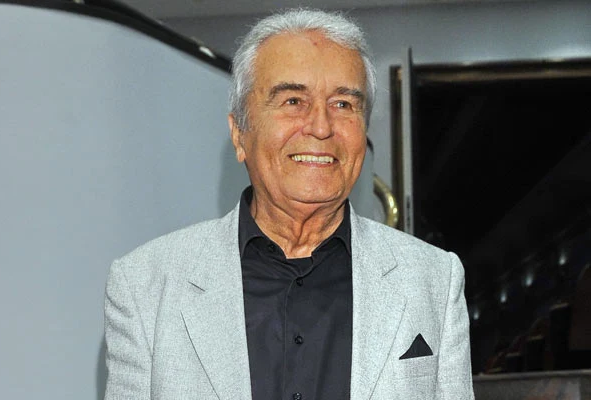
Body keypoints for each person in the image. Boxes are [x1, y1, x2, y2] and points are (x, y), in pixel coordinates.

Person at [104, 8, 474, 400]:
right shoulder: (145, 287)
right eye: (294, 100)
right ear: (240, 133)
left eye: (343, 104)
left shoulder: (433, 280)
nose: (321, 127)